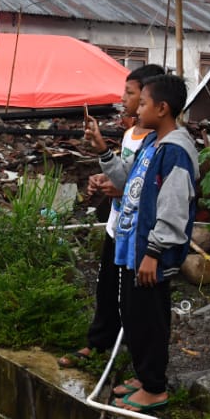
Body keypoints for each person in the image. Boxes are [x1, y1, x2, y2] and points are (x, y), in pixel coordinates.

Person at [98, 74, 198, 414]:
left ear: (162, 108)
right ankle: (144, 376)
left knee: (150, 319)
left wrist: (154, 252)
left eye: (143, 103)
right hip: (134, 250)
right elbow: (127, 181)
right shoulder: (152, 143)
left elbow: (173, 208)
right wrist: (104, 153)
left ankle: (155, 388)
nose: (137, 109)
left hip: (151, 254)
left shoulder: (175, 152)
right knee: (134, 314)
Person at [61, 63, 164, 370]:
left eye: (131, 94)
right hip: (116, 225)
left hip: (137, 232)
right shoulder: (132, 133)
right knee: (106, 287)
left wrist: (121, 188)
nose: (124, 99)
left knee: (135, 299)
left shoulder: (161, 143)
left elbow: (148, 186)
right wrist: (104, 175)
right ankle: (99, 343)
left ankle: (136, 360)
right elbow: (125, 173)